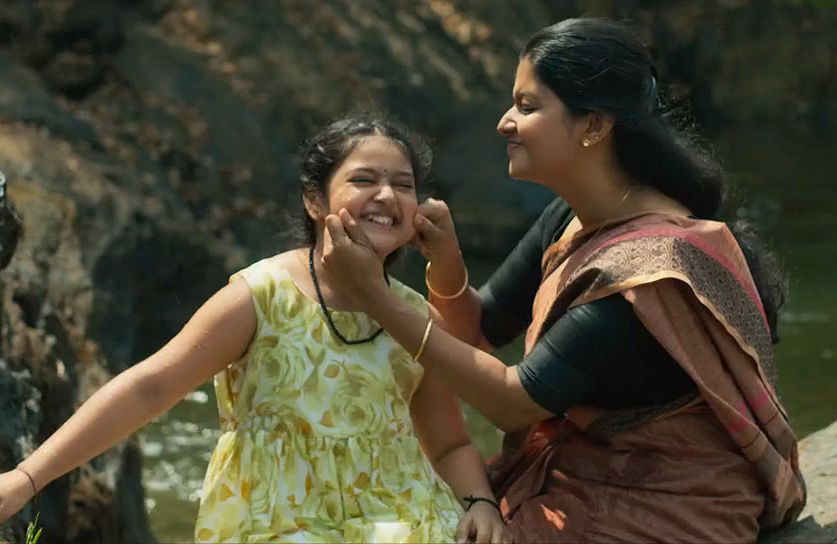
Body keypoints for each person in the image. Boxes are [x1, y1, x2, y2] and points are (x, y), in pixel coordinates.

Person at [318, 18, 806, 543]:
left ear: (593, 125)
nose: (504, 122)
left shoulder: (647, 269)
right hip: (586, 471)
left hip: (668, 503)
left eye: (527, 107)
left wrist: (376, 298)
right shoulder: (571, 218)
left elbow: (511, 402)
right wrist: (447, 263)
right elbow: (477, 329)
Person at [0, 115, 508, 543]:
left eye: (403, 184)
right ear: (315, 201)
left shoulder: (414, 316)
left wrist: (481, 503)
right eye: (363, 180)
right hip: (276, 522)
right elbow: (149, 388)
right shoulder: (260, 297)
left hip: (404, 520)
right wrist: (26, 478)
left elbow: (449, 443)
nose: (386, 195)